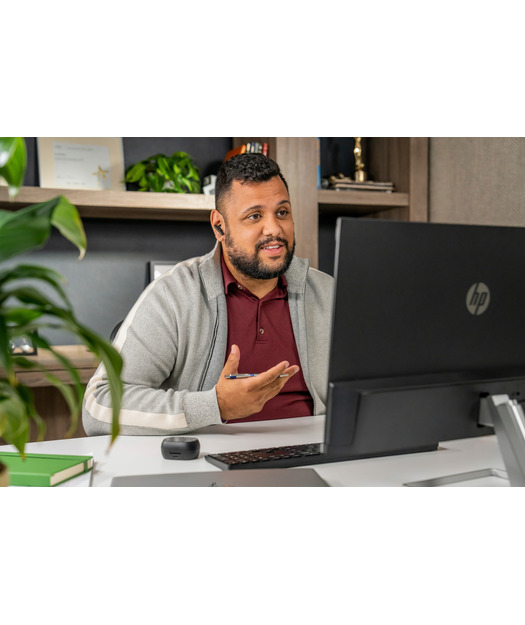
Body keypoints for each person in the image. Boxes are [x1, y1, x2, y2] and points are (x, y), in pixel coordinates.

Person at [82, 153, 334, 436]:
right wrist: (216, 406)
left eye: (282, 212)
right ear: (219, 226)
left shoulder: (329, 293)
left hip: (316, 453)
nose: (274, 229)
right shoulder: (173, 295)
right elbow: (99, 405)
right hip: (211, 458)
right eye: (254, 216)